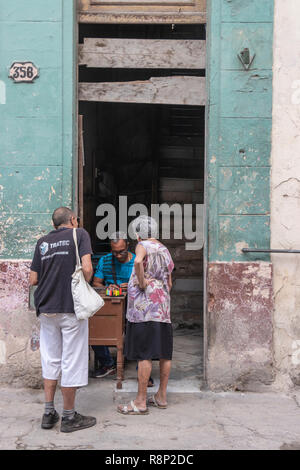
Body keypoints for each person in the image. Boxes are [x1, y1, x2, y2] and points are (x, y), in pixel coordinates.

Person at [29, 207, 97, 433]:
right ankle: (69, 417)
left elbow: (33, 279)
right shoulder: (80, 234)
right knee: (72, 360)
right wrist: (82, 283)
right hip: (70, 307)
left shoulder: (42, 242)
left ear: (54, 223)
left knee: (50, 360)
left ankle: (48, 413)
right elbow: (87, 268)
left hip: (46, 308)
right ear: (73, 220)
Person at [118, 215, 174, 415]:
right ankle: (161, 396)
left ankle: (140, 401)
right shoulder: (165, 251)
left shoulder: (142, 245)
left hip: (145, 309)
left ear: (137, 234)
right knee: (164, 352)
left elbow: (138, 262)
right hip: (163, 308)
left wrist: (142, 283)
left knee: (145, 354)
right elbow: (170, 283)